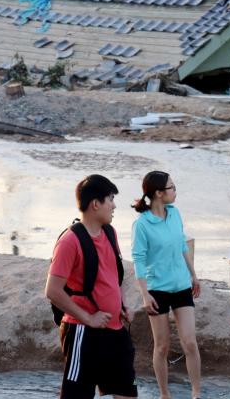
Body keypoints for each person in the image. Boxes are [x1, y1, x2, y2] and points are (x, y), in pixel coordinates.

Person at [46, 174, 137, 399]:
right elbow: (53, 291)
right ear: (95, 204)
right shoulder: (69, 241)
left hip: (116, 330)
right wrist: (88, 318)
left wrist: (123, 305)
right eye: (111, 199)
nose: (114, 205)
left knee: (127, 394)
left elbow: (114, 276)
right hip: (82, 333)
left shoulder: (110, 232)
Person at [132, 171, 202, 399]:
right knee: (161, 346)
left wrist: (193, 275)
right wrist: (144, 294)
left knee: (190, 342)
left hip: (181, 286)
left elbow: (182, 245)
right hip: (157, 290)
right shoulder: (141, 224)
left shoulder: (175, 213)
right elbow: (139, 260)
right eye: (172, 187)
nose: (175, 191)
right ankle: (165, 395)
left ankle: (196, 393)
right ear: (158, 193)